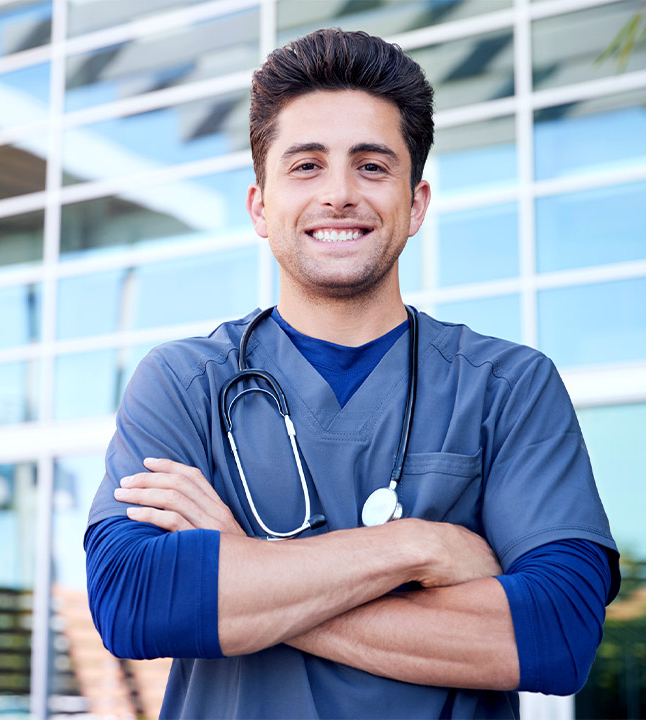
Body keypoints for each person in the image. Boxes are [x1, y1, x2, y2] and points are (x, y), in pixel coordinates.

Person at [84, 28, 619, 718]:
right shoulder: (185, 382)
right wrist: (418, 547)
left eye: (372, 166)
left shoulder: (507, 387)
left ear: (416, 203)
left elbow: (557, 636)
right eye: (306, 166)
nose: (338, 194)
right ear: (259, 206)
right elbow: (135, 602)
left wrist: (241, 575)